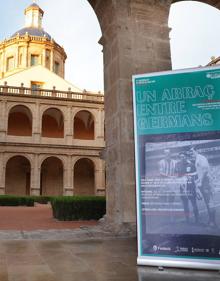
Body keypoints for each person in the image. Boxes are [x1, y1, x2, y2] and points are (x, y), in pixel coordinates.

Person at [189, 146, 216, 227]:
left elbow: (205, 170)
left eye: (192, 151)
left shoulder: (201, 158)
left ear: (196, 151)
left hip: (206, 183)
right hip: (203, 182)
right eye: (190, 152)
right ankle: (211, 221)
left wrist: (200, 181)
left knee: (209, 202)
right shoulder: (197, 159)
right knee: (207, 202)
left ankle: (213, 222)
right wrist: (198, 180)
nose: (191, 153)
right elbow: (201, 172)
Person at [176, 152, 199, 223]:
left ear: (186, 157)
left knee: (193, 203)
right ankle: (187, 219)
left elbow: (196, 175)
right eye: (181, 157)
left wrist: (190, 177)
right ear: (179, 158)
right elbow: (176, 175)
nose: (182, 158)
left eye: (183, 156)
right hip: (182, 187)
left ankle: (197, 218)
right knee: (185, 204)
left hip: (190, 187)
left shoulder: (191, 165)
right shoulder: (177, 165)